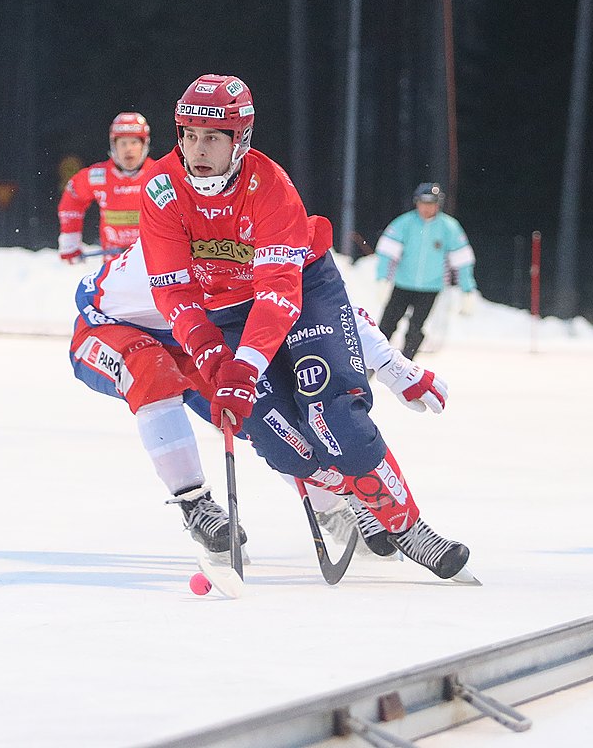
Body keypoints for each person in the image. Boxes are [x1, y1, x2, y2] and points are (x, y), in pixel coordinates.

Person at [138, 74, 473, 581]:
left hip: (303, 292)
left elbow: (277, 294)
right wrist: (211, 357)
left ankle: (407, 527)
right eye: (187, 134)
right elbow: (172, 292)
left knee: (332, 415)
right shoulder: (162, 189)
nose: (196, 149)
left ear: (241, 138)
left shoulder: (269, 185)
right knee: (278, 441)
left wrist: (245, 370)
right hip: (226, 314)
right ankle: (349, 491)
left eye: (212, 136)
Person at [68, 225, 449, 562]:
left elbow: (328, 310)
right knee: (152, 373)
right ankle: (194, 503)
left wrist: (391, 365)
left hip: (197, 335)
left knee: (262, 420)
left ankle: (332, 505)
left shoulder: (258, 237)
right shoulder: (181, 258)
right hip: (110, 326)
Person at [375, 182, 477, 358]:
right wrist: (382, 278)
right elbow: (387, 253)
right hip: (403, 284)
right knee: (387, 324)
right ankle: (373, 360)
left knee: (416, 328)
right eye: (423, 203)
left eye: (432, 204)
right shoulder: (404, 223)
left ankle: (406, 362)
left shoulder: (449, 227)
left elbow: (462, 260)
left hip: (430, 287)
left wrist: (467, 289)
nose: (427, 208)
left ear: (438, 204)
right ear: (417, 202)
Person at [57, 112, 153, 263]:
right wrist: (70, 241)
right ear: (113, 145)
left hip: (154, 264)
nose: (128, 149)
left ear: (145, 144)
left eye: (134, 142)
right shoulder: (98, 176)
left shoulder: (159, 175)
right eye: (123, 143)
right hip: (113, 265)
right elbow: (73, 196)